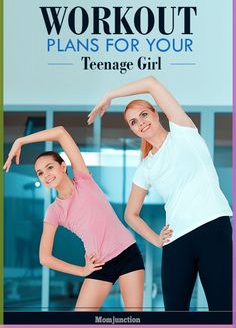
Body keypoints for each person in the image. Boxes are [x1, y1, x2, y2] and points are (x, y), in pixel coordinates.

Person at [88, 75, 233, 311]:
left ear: (155, 113)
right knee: (174, 314)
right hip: (176, 242)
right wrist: (156, 239)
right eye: (133, 122)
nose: (141, 122)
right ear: (133, 130)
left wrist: (110, 95)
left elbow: (151, 83)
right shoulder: (146, 167)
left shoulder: (184, 132)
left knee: (222, 309)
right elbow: (130, 214)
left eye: (143, 114)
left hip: (212, 229)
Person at [4, 126, 171, 311]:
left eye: (49, 167)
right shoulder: (54, 211)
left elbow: (60, 132)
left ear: (62, 166)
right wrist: (82, 271)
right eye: (40, 173)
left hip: (128, 254)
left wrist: (21, 141)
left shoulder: (83, 179)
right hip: (99, 265)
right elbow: (45, 257)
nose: (46, 175)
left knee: (133, 319)